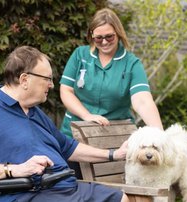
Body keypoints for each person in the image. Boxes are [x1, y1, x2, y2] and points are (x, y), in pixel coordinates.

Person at [0, 46, 129, 202]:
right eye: (47, 78)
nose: (52, 85)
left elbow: (67, 147)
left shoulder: (34, 111)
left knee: (122, 198)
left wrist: (114, 154)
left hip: (64, 189)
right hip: (26, 194)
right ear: (24, 80)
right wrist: (15, 170)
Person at [59, 8, 163, 178]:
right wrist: (87, 115)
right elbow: (66, 90)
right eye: (98, 38)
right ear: (91, 36)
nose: (104, 42)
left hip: (115, 141)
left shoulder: (131, 63)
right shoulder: (80, 55)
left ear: (118, 33)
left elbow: (142, 100)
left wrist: (159, 135)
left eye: (109, 36)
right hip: (75, 138)